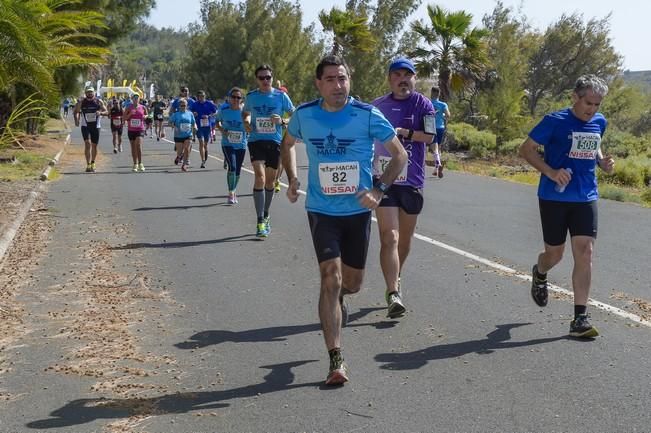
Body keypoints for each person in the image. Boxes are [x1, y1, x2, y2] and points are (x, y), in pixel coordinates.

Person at [281, 55, 407, 386]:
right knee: (330, 276)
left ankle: (339, 298)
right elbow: (288, 143)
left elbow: (400, 155)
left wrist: (379, 190)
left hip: (357, 213)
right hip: (322, 211)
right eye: (332, 79)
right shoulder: (305, 115)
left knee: (352, 283)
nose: (339, 85)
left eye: (344, 78)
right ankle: (336, 358)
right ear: (318, 84)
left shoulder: (366, 115)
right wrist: (293, 178)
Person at [519, 74, 615, 338]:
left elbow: (594, 146)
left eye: (597, 104)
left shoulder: (599, 121)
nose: (592, 109)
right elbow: (525, 149)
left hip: (585, 196)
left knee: (585, 252)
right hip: (554, 197)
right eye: (588, 103)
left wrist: (602, 162)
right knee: (555, 255)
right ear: (575, 97)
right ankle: (540, 272)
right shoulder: (554, 121)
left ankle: (579, 318)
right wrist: (550, 172)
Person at [371, 57, 436, 318]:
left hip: (412, 181)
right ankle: (393, 292)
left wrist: (405, 133)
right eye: (397, 75)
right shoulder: (377, 106)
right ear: (390, 80)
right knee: (390, 237)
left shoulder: (424, 104)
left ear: (414, 78)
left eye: (407, 75)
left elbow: (431, 137)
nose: (403, 79)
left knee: (405, 241)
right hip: (384, 180)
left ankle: (396, 278)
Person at [242, 64, 295, 237]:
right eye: (261, 78)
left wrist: (282, 121)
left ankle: (266, 214)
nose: (265, 80)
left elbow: (294, 115)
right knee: (260, 176)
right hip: (256, 141)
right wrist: (247, 121)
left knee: (270, 182)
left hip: (274, 142)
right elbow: (245, 113)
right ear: (257, 80)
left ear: (272, 78)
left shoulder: (281, 96)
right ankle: (259, 221)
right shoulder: (251, 97)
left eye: (268, 77)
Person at [216, 87, 248, 204]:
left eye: (238, 97)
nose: (235, 99)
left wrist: (249, 128)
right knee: (232, 167)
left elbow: (251, 124)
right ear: (229, 98)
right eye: (233, 97)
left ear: (241, 99)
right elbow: (217, 121)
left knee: (238, 170)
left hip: (241, 144)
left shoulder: (245, 112)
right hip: (227, 143)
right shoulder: (223, 111)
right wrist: (222, 129)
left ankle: (234, 191)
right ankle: (230, 192)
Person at [73, 86, 107, 173]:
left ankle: (93, 163)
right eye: (88, 92)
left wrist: (101, 113)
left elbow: (106, 111)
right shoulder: (82, 102)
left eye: (91, 92)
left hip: (96, 126)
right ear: (85, 93)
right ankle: (88, 164)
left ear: (94, 93)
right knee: (87, 144)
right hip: (85, 126)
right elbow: (76, 111)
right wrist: (76, 120)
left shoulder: (98, 101)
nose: (90, 93)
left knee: (94, 145)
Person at [165, 97, 196, 172]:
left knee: (187, 149)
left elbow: (193, 123)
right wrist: (173, 126)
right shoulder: (176, 114)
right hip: (178, 135)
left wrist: (195, 127)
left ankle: (184, 165)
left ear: (187, 106)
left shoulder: (190, 114)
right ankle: (179, 156)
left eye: (184, 105)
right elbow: (170, 122)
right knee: (180, 152)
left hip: (188, 134)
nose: (183, 107)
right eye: (181, 105)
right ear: (179, 106)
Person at [169, 87, 195, 165]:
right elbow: (171, 110)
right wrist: (173, 120)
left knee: (188, 145)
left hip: (189, 125)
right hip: (179, 125)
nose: (185, 92)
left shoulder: (192, 101)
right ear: (181, 92)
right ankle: (179, 155)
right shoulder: (177, 101)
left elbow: (196, 110)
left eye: (187, 91)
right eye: (184, 91)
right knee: (181, 146)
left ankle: (186, 159)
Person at [192, 90, 218, 168]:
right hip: (199, 126)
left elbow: (216, 112)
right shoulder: (195, 104)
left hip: (207, 126)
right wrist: (193, 113)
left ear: (205, 96)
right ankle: (203, 161)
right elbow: (190, 112)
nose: (201, 98)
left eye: (203, 96)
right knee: (201, 142)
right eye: (200, 96)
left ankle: (206, 151)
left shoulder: (209, 104)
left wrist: (209, 116)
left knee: (205, 144)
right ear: (197, 97)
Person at [123, 94, 148, 172]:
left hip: (140, 129)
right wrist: (130, 114)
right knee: (133, 147)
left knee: (138, 145)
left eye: (137, 98)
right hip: (131, 130)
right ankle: (135, 164)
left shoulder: (143, 107)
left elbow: (148, 114)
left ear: (139, 99)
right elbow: (124, 118)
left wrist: (145, 116)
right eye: (134, 98)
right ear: (132, 99)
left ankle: (140, 163)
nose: (136, 99)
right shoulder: (128, 107)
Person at [430, 86, 450, 178]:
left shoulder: (428, 103)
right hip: (440, 127)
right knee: (438, 147)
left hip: (430, 127)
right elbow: (448, 115)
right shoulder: (443, 104)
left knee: (434, 147)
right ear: (439, 94)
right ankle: (436, 170)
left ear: (432, 93)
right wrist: (441, 115)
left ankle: (438, 164)